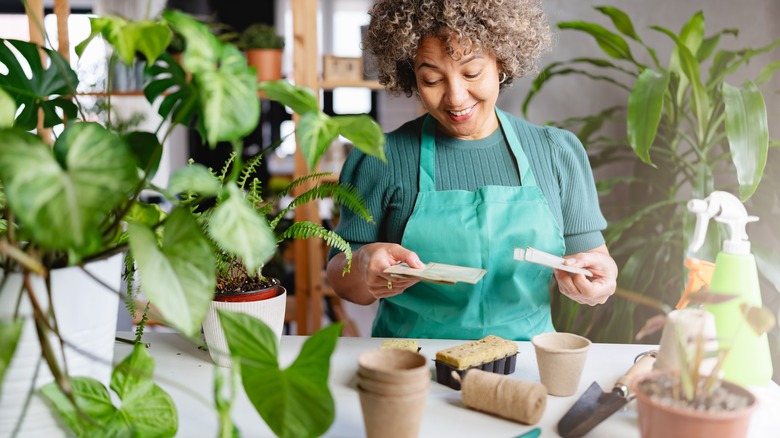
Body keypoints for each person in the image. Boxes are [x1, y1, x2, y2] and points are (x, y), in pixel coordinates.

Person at [326, 0, 617, 341]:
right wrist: (362, 265)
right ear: (411, 76)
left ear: (501, 62)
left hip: (524, 363)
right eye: (432, 79)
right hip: (413, 366)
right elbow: (342, 280)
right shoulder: (380, 158)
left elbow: (593, 259)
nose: (455, 97)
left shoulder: (556, 153)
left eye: (471, 73)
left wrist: (599, 279)